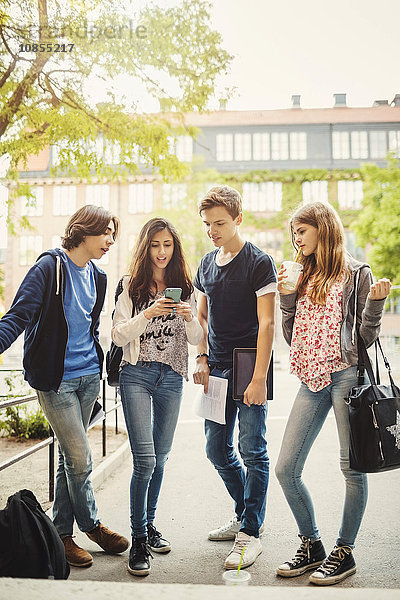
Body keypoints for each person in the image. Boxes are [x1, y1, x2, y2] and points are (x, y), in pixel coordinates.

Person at [0, 205, 129, 568]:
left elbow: (88, 327)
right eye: (104, 232)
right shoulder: (49, 267)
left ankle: (61, 534)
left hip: (89, 375)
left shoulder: (99, 276)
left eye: (113, 234)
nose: (110, 240)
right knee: (80, 457)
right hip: (56, 381)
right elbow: (18, 317)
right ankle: (92, 524)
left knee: (67, 459)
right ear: (82, 231)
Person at [275, 201, 391, 585]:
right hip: (310, 378)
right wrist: (286, 296)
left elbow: (365, 336)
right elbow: (292, 336)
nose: (297, 238)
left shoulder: (357, 272)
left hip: (345, 375)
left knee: (352, 467)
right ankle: (312, 544)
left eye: (302, 231)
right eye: (294, 232)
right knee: (286, 469)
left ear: (323, 229)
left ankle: (345, 551)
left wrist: (375, 304)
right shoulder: (301, 272)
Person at [111, 217, 203, 577]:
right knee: (145, 461)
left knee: (161, 459)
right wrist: (148, 313)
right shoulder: (130, 286)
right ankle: (137, 540)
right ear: (145, 247)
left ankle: (149, 525)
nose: (162, 252)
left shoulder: (185, 286)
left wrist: (187, 315)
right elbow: (118, 335)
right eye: (155, 245)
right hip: (137, 375)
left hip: (171, 378)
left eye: (167, 245)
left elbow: (196, 337)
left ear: (174, 247)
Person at [193, 185, 276, 569]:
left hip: (248, 363)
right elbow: (202, 317)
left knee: (252, 451)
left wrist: (258, 378)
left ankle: (250, 534)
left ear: (238, 219)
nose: (213, 230)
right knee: (215, 449)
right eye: (208, 224)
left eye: (220, 223)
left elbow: (267, 323)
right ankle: (246, 515)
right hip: (217, 365)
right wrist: (202, 358)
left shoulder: (259, 262)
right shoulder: (206, 264)